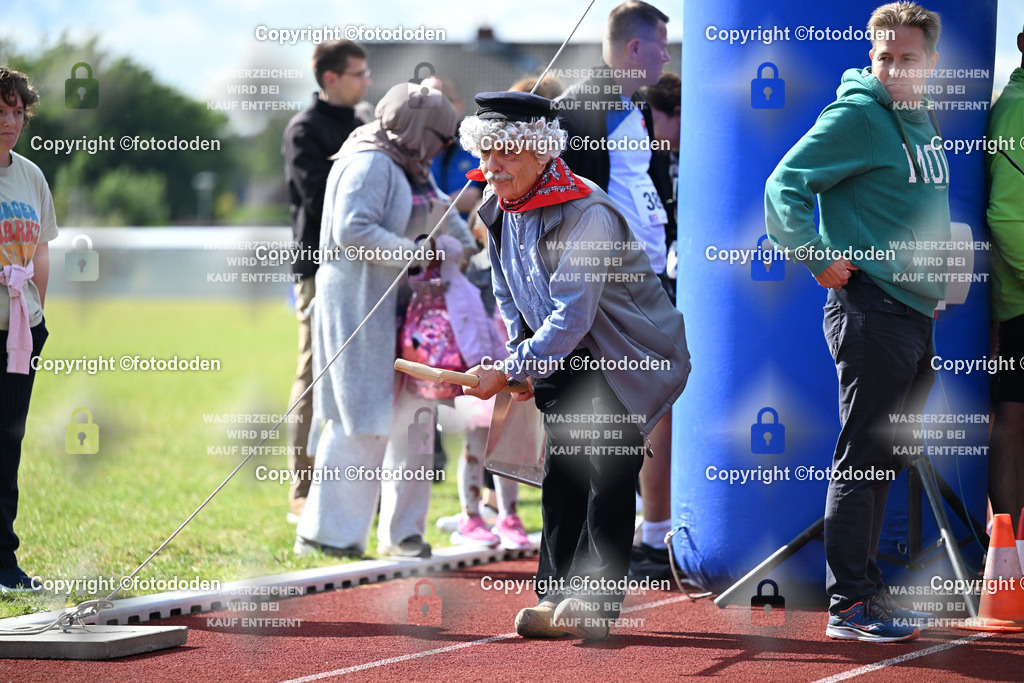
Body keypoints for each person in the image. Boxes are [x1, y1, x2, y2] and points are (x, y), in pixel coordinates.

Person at [460, 91, 690, 641]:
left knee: (606, 473)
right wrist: (519, 365)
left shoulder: (587, 211)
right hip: (564, 353)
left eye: (508, 152)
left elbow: (572, 314)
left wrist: (516, 364)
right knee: (562, 473)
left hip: (623, 357)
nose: (493, 166)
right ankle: (553, 595)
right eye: (487, 152)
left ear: (542, 154)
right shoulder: (498, 206)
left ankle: (595, 600)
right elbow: (509, 294)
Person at [765, 1, 949, 643]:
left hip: (914, 312)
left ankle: (865, 593)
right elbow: (782, 184)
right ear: (870, 58)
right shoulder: (857, 115)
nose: (895, 69)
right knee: (862, 458)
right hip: (873, 308)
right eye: (884, 58)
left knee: (883, 460)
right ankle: (850, 607)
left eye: (908, 59)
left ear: (932, 62)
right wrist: (816, 258)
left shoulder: (917, 117)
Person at [294, 82, 476, 560]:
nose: (442, 148)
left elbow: (440, 212)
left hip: (409, 318)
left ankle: (404, 535)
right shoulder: (370, 161)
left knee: (415, 424)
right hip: (359, 309)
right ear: (420, 129)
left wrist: (466, 242)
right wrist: (421, 253)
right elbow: (351, 229)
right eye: (440, 136)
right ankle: (328, 535)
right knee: (359, 422)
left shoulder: (410, 162)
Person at [557, 0, 677, 581]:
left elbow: (646, 186)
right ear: (634, 48)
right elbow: (572, 203)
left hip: (647, 283)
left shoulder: (638, 106)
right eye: (659, 45)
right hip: (608, 291)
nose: (665, 56)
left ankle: (634, 545)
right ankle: (587, 565)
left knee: (636, 424)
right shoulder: (582, 105)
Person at [282, 40, 371, 524]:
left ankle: (355, 489)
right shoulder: (304, 130)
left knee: (360, 380)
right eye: (358, 74)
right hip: (319, 271)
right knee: (313, 374)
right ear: (330, 79)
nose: (366, 81)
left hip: (364, 272)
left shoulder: (362, 126)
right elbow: (321, 202)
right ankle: (303, 488)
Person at [0, 68, 56, 593]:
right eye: (1, 110)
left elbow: (40, 250)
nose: (10, 121)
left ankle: (4, 560)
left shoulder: (32, 176)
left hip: (21, 332)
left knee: (7, 445)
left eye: (17, 111)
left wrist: (38, 321)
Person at [986, 24, 1024, 532]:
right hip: (1019, 302)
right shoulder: (1016, 108)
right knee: (1014, 421)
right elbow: (1008, 216)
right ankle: (1008, 552)